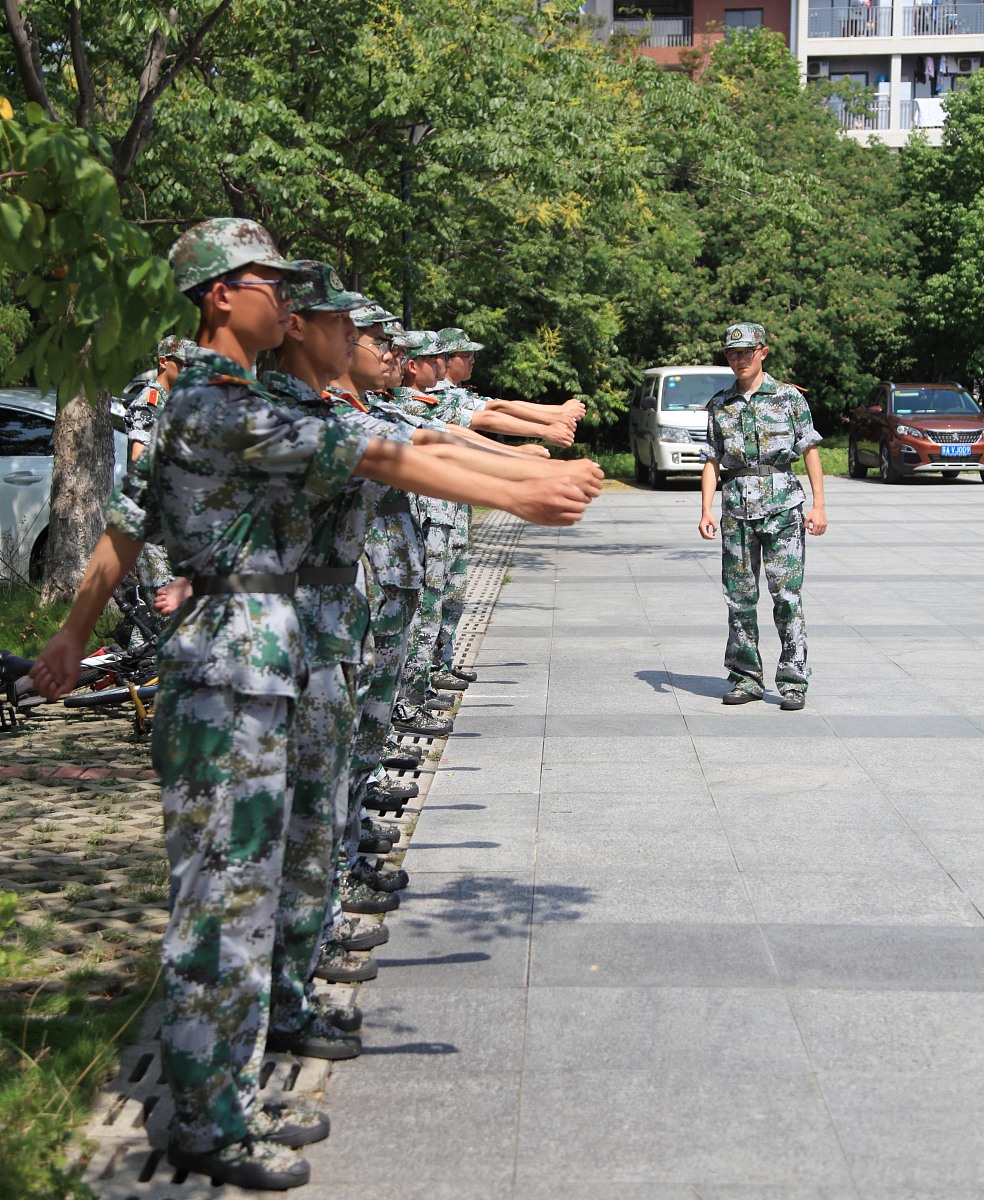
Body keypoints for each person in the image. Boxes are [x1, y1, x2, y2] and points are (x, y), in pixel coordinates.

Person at [30, 219, 594, 1192]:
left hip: (250, 667)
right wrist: (526, 492)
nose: (285, 302)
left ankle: (231, 1092)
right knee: (225, 908)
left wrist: (72, 636)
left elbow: (130, 526)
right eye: (269, 284)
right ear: (219, 295)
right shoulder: (216, 403)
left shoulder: (221, 395)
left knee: (246, 894)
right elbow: (379, 457)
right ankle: (210, 1122)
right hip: (227, 678)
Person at [698, 322, 827, 711]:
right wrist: (705, 508)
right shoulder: (720, 404)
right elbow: (711, 460)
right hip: (736, 510)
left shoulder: (788, 398)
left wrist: (819, 505)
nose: (739, 360)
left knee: (786, 596)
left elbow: (810, 451)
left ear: (763, 352)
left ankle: (793, 681)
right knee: (739, 597)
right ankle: (745, 677)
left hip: (783, 508)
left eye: (746, 352)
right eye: (732, 354)